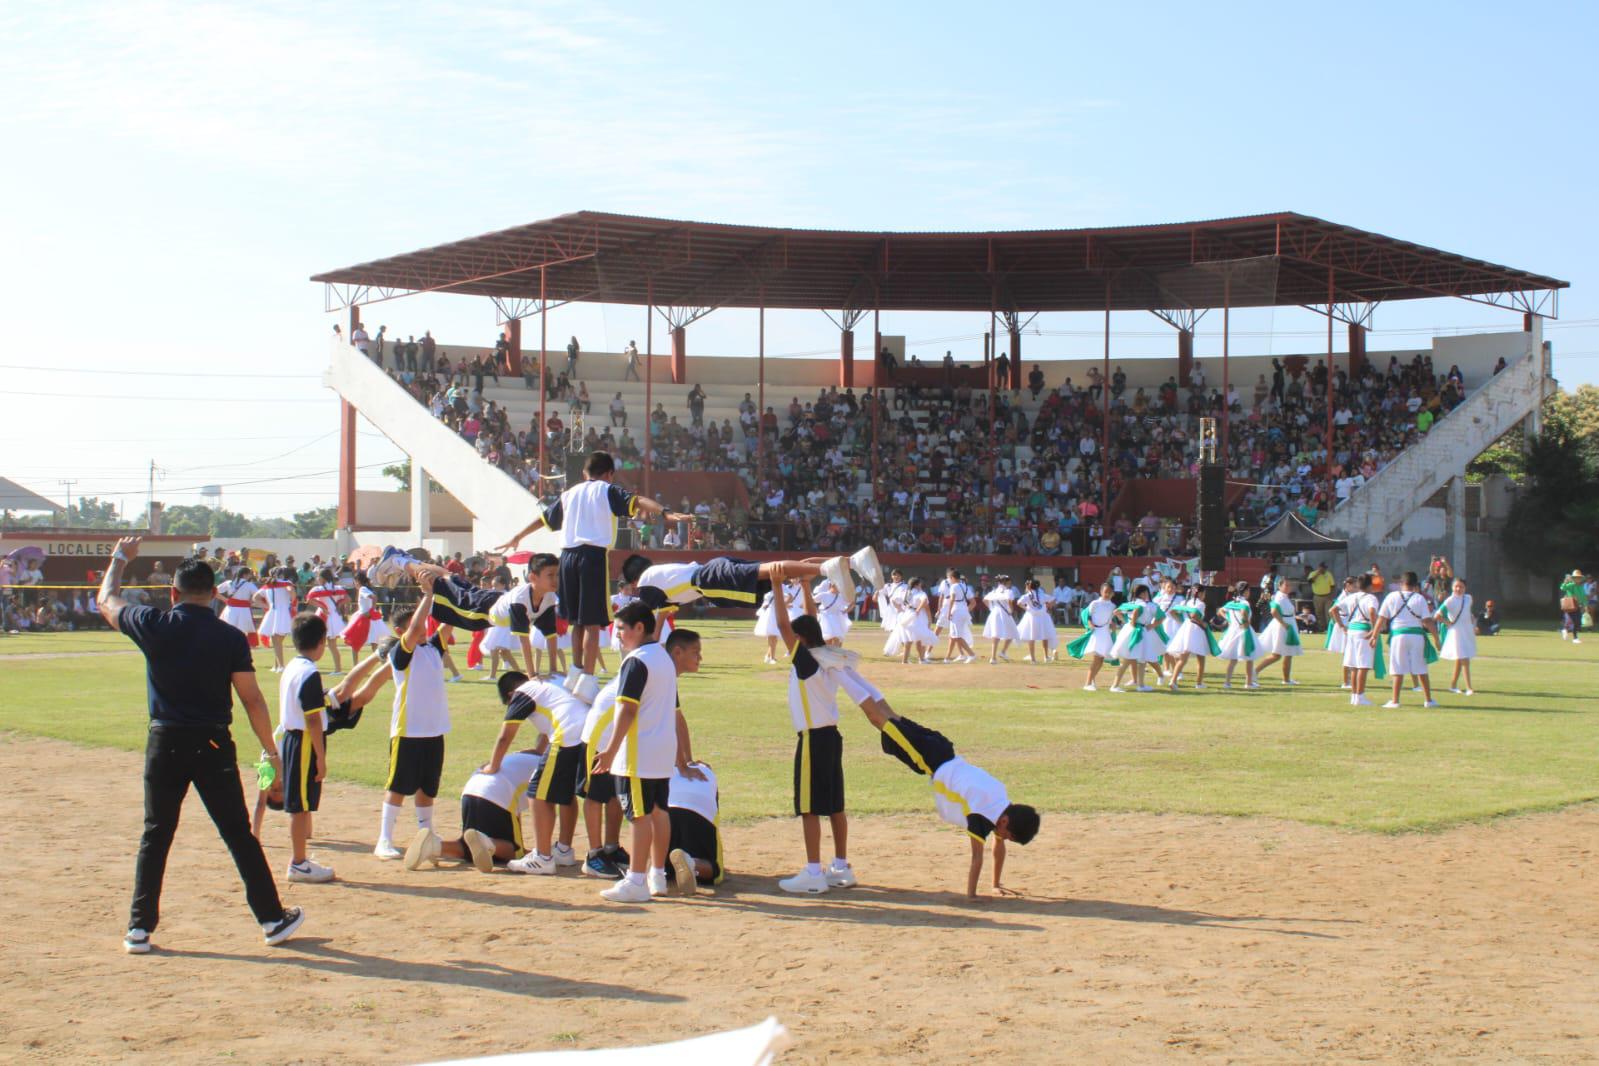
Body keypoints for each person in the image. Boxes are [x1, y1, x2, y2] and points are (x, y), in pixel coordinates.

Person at [96, 539, 305, 953]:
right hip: (212, 742)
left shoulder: (154, 623)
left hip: (165, 739)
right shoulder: (229, 637)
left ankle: (139, 929)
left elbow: (106, 601)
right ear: (213, 594)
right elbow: (252, 699)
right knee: (238, 834)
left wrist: (120, 559)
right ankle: (270, 918)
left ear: (173, 593)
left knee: (156, 833)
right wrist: (271, 751)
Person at [487, 452, 696, 678]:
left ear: (584, 473)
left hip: (567, 558)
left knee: (577, 622)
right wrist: (665, 512)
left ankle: (576, 671)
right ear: (609, 474)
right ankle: (587, 677)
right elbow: (637, 500)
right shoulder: (607, 489)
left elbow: (544, 519)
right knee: (593, 623)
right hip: (592, 556)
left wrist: (518, 536)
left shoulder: (569, 494)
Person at [854, 696, 1039, 898]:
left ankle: (852, 678)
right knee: (878, 719)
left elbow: (998, 845)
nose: (1004, 838)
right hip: (928, 758)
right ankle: (843, 678)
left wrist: (995, 884)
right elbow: (977, 858)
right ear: (1005, 822)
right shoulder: (982, 815)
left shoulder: (1002, 802)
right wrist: (971, 896)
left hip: (942, 749)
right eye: (1008, 835)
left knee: (889, 715)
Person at [769, 572, 879, 894]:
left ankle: (814, 872)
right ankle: (841, 867)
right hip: (831, 737)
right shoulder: (826, 656)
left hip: (813, 740)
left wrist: (776, 584)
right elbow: (809, 622)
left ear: (799, 639)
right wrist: (805, 585)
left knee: (809, 807)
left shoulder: (806, 661)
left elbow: (783, 625)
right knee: (834, 805)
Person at [591, 606, 703, 902]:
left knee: (638, 816)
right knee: (658, 811)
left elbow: (628, 709)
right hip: (660, 751)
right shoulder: (663, 659)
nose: (617, 635)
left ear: (639, 627)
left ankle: (636, 880)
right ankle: (657, 875)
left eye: (620, 629)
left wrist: (610, 750)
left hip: (637, 752)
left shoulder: (637, 661)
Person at [374, 574, 452, 860]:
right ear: (400, 631)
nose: (421, 629)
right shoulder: (400, 653)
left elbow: (448, 623)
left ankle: (426, 835)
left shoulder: (432, 648)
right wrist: (428, 595)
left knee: (427, 788)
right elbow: (418, 626)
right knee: (398, 786)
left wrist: (449, 591)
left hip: (434, 730)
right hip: (408, 731)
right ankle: (384, 839)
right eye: (412, 626)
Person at [486, 671, 592, 874]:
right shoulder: (545, 687)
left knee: (537, 793)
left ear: (510, 695)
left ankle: (542, 858)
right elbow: (549, 723)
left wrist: (493, 766)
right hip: (586, 733)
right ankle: (563, 850)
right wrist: (537, 750)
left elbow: (505, 736)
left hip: (567, 735)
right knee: (565, 793)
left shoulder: (522, 693)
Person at [622, 546, 880, 623]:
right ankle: (852, 562)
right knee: (780, 572)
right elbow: (664, 614)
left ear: (634, 580)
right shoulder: (659, 576)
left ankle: (826, 569)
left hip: (708, 580)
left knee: (774, 570)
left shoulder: (645, 583)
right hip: (711, 570)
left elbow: (647, 621)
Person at [405, 749, 546, 872]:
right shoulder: (546, 765)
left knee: (471, 846)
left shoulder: (516, 758)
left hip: (470, 792)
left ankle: (435, 846)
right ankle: (488, 843)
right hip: (497, 794)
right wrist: (534, 851)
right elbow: (545, 809)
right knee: (514, 852)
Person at [275, 614, 335, 884]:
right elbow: (312, 719)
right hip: (304, 742)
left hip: (292, 738)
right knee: (299, 804)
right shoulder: (309, 672)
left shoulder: (293, 666)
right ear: (321, 642)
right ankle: (298, 863)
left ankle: (301, 859)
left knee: (302, 801)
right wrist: (321, 758)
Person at [1374, 571, 1439, 709]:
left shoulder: (1392, 596)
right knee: (1421, 668)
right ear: (1415, 585)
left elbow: (1381, 618)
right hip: (1417, 636)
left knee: (1397, 669)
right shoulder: (1419, 598)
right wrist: (1437, 639)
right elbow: (1427, 621)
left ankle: (1395, 701)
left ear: (1401, 583)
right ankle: (1428, 700)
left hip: (1398, 636)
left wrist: (1374, 635)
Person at [665, 760, 724, 895]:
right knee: (715, 869)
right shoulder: (708, 774)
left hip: (667, 812)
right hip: (699, 814)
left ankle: (657, 867)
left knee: (666, 857)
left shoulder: (669, 770)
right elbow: (714, 816)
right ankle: (692, 862)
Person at [1108, 585, 1165, 693]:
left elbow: (1116, 612)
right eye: (1145, 592)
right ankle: (1116, 686)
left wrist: (1127, 621)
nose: (1146, 594)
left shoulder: (1130, 604)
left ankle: (1140, 685)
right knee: (1136, 660)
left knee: (1134, 659)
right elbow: (1162, 616)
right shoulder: (1148, 605)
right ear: (1142, 593)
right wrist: (1151, 625)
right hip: (1140, 632)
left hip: (1130, 631)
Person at [1065, 583, 1119, 690]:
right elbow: (1087, 615)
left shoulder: (1112, 606)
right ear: (1101, 592)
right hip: (1096, 633)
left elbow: (1110, 619)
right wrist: (1090, 624)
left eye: (1110, 592)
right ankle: (1088, 683)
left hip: (1105, 633)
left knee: (1101, 660)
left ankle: (1092, 680)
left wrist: (1112, 625)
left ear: (1113, 593)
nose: (1107, 594)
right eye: (1105, 592)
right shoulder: (1095, 603)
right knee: (1096, 659)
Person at [1165, 584, 1217, 689]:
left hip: (1186, 628)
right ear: (1201, 593)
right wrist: (1203, 623)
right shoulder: (1201, 604)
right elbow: (1194, 616)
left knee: (1183, 658)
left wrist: (1182, 621)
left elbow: (1172, 612)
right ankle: (1199, 683)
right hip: (1196, 630)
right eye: (1204, 593)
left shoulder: (1186, 602)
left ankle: (1173, 681)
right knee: (1201, 657)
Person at [1342, 574, 1382, 706]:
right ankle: (1360, 696)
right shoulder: (1371, 598)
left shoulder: (1351, 597)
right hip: (1363, 631)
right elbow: (1372, 612)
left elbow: (1334, 609)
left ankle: (1354, 696)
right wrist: (1374, 630)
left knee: (1354, 666)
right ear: (1370, 585)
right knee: (1363, 666)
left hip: (1352, 630)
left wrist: (1342, 626)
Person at [1254, 578, 1303, 685]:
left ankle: (1286, 679)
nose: (1288, 587)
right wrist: (1283, 624)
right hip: (1283, 626)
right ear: (1280, 586)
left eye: (1289, 585)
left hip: (1288, 623)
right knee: (1277, 655)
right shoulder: (1279, 597)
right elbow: (1274, 611)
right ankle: (1254, 672)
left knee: (1288, 654)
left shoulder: (1284, 596)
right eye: (1286, 585)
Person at [1435, 577, 1478, 695]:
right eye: (1456, 586)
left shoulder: (1468, 598)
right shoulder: (1449, 600)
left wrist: (1473, 624)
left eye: (1461, 587)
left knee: (1460, 659)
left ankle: (1453, 685)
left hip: (1467, 631)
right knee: (1465, 659)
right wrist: (1448, 623)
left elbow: (1468, 613)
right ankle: (1469, 688)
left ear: (1465, 588)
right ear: (1452, 587)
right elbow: (1437, 616)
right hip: (1456, 633)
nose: (1458, 589)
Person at [1214, 581, 1260, 689]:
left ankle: (1227, 683)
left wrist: (1229, 619)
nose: (1249, 592)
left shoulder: (1232, 602)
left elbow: (1220, 611)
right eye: (1248, 590)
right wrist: (1245, 622)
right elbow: (1244, 613)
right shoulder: (1245, 603)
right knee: (1249, 657)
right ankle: (1248, 683)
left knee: (1233, 659)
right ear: (1245, 591)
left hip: (1233, 631)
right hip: (1244, 630)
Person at [304, 568, 348, 675]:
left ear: (322, 578)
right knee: (332, 646)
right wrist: (339, 604)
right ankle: (338, 669)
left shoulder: (318, 589)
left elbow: (309, 599)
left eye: (318, 577)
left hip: (324, 616)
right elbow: (348, 598)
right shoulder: (337, 588)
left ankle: (313, 667)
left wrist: (322, 606)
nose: (317, 579)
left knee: (316, 644)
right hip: (334, 617)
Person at [252, 566, 297, 671]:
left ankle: (277, 665)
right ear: (281, 574)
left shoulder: (267, 585)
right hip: (284, 612)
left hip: (272, 612)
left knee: (276, 641)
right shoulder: (286, 583)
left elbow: (255, 598)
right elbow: (291, 592)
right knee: (277, 641)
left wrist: (267, 606)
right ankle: (280, 666)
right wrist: (292, 599)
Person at [936, 568, 978, 664]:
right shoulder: (965, 586)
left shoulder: (954, 586)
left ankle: (971, 654)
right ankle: (947, 658)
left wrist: (949, 612)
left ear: (952, 577)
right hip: (963, 611)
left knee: (957, 636)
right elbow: (973, 603)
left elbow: (952, 599)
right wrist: (965, 611)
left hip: (956, 611)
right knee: (953, 635)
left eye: (950, 578)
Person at [342, 571, 392, 651]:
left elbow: (374, 597)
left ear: (357, 581)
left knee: (355, 640)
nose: (354, 584)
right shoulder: (367, 588)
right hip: (369, 617)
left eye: (354, 582)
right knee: (374, 642)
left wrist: (371, 610)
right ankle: (378, 657)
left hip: (364, 617)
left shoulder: (362, 589)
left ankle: (357, 660)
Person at [1324, 576, 1359, 690]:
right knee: (1347, 654)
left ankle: (1350, 680)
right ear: (1348, 586)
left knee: (1349, 654)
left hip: (1348, 623)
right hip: (1345, 624)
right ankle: (1346, 682)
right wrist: (1340, 625)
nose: (1357, 588)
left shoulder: (1351, 595)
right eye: (1355, 586)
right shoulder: (1344, 597)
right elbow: (1332, 610)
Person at [1015, 579, 1058, 663]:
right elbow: (1053, 599)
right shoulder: (1042, 595)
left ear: (1029, 587)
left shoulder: (1027, 595)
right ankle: (1046, 657)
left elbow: (1019, 603)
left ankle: (1033, 659)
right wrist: (1049, 606)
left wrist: (1027, 608)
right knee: (1045, 636)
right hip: (1043, 617)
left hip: (1032, 617)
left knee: (1031, 637)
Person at [983, 575, 1020, 663]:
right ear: (1006, 582)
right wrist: (1011, 610)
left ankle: (994, 657)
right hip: (1005, 613)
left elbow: (984, 600)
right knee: (1012, 632)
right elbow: (1010, 601)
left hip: (994, 613)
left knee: (996, 634)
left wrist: (991, 608)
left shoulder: (994, 591)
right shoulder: (1008, 591)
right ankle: (1001, 652)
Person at [216, 567, 259, 643]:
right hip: (244, 610)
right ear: (245, 575)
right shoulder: (249, 585)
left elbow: (214, 591)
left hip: (230, 609)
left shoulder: (229, 583)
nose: (251, 576)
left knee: (229, 628)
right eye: (250, 574)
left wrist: (225, 599)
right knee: (242, 630)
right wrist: (252, 602)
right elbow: (259, 596)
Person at [1559, 570, 1586, 644]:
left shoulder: (1581, 587)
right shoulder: (1571, 585)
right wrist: (1565, 582)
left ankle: (1565, 630)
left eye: (1579, 577)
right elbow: (1563, 588)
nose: (1578, 579)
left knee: (1577, 622)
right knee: (1574, 622)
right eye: (1576, 577)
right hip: (1570, 606)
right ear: (1573, 578)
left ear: (1581, 579)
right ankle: (1575, 638)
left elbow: (1583, 597)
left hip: (1578, 606)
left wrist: (1585, 605)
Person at [1308, 563, 1336, 630]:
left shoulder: (1328, 574)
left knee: (1329, 613)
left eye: (1325, 568)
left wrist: (1331, 595)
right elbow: (1310, 581)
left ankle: (1330, 628)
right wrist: (1317, 574)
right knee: (1319, 613)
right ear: (1319, 568)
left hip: (1327, 596)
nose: (1324, 570)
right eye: (1322, 568)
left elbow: (1332, 585)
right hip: (1317, 596)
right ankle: (1322, 628)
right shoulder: (1313, 574)